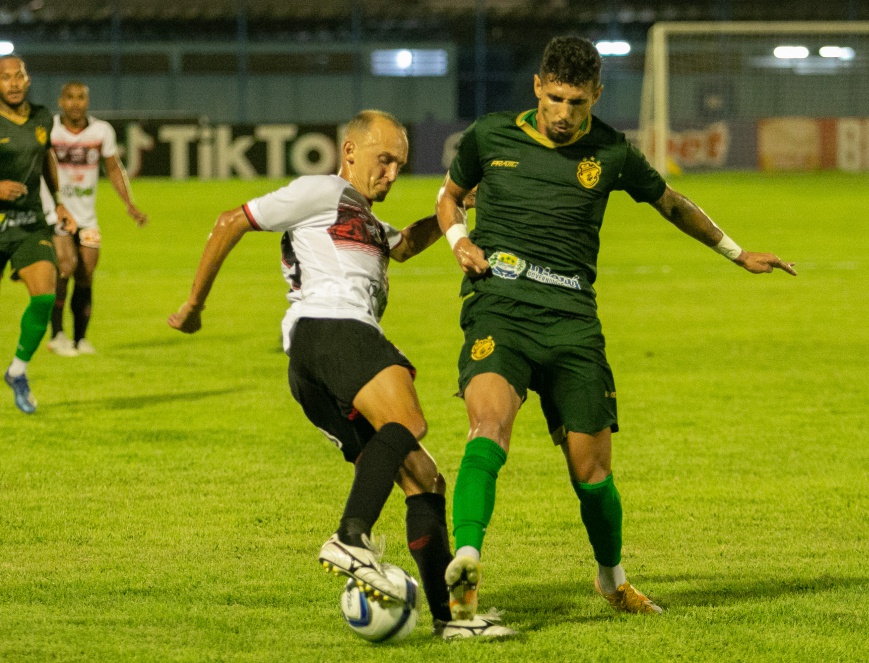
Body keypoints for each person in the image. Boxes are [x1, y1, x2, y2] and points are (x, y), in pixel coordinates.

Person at [436, 36, 797, 622]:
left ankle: (612, 580)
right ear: (537, 86)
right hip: (498, 307)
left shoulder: (611, 153)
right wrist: (459, 240)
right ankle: (467, 564)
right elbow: (448, 199)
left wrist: (737, 253)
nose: (564, 113)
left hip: (573, 321)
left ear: (596, 96)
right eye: (555, 98)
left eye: (577, 102)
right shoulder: (489, 136)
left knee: (593, 472)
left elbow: (672, 202)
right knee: (488, 423)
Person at [168, 110, 513, 639]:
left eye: (400, 163)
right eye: (384, 159)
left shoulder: (367, 220)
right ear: (348, 152)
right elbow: (230, 220)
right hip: (331, 328)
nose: (392, 172)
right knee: (408, 420)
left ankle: (452, 619)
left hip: (316, 364)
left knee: (425, 480)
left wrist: (453, 211)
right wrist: (194, 305)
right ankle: (351, 537)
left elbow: (402, 246)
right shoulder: (320, 190)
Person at [45, 81, 148, 356]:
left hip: (87, 217)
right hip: (57, 213)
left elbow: (113, 168)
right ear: (60, 101)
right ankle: (57, 335)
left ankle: (80, 339)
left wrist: (129, 204)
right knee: (65, 266)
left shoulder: (101, 131)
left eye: (81, 98)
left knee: (85, 274)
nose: (75, 103)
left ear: (87, 102)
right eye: (70, 97)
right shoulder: (49, 130)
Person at [0, 54, 76, 414]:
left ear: (28, 79)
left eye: (19, 76)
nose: (13, 83)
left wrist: (58, 201)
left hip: (30, 221)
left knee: (45, 296)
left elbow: (46, 159)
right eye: (5, 78)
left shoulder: (44, 117)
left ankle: (17, 371)